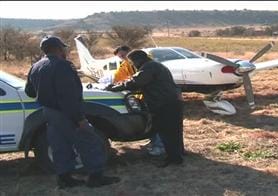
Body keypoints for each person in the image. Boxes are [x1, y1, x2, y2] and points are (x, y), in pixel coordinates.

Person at [25, 35, 120, 188]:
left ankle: (64, 178)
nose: (65, 51)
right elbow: (69, 96)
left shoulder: (35, 66)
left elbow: (29, 91)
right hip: (67, 112)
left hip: (49, 112)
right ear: (58, 49)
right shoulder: (63, 66)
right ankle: (95, 177)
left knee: (59, 145)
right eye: (63, 48)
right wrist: (80, 119)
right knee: (90, 141)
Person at [106, 50, 184, 167]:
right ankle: (178, 155)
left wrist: (115, 87)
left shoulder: (149, 67)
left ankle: (173, 159)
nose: (132, 65)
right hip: (171, 102)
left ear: (138, 60)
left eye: (132, 62)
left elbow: (135, 82)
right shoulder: (156, 65)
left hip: (164, 104)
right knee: (174, 131)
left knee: (167, 132)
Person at [114, 46, 166, 156]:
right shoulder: (131, 65)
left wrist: (118, 87)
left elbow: (137, 81)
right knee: (150, 120)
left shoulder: (148, 66)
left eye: (125, 56)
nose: (125, 59)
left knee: (158, 122)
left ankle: (160, 146)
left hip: (159, 98)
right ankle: (155, 142)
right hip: (149, 97)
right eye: (121, 57)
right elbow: (121, 78)